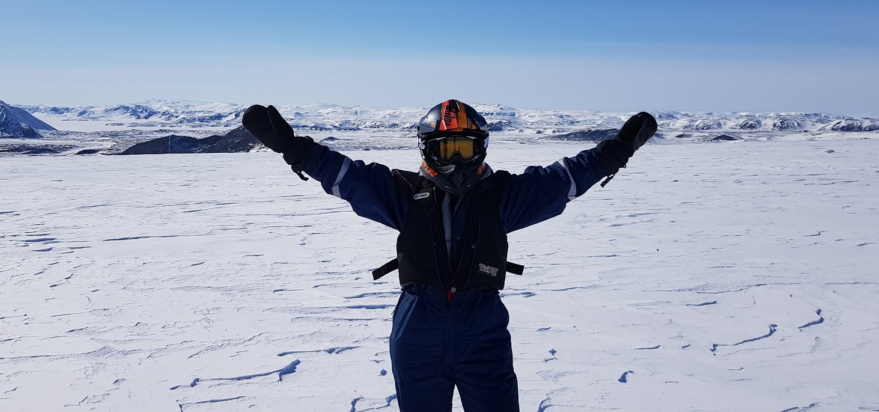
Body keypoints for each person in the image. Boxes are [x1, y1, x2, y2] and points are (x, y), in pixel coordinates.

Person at [242, 100, 657, 412]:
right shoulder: (404, 194)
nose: (456, 160)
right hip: (417, 329)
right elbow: (347, 176)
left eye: (464, 148)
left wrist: (612, 153)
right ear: (427, 151)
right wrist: (295, 149)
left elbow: (560, 179)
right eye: (446, 150)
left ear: (482, 149)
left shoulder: (502, 198)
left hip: (484, 332)